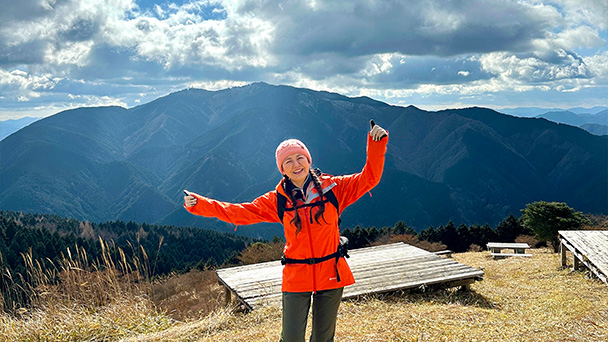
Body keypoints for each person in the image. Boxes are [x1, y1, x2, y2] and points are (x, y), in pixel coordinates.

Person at [184, 121, 388, 342]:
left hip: (331, 271)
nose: (296, 164)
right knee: (291, 339)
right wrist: (201, 205)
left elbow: (369, 178)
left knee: (323, 338)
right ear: (282, 169)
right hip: (297, 275)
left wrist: (376, 145)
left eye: (300, 157)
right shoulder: (278, 200)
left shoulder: (334, 189)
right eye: (288, 161)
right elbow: (240, 212)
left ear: (309, 160)